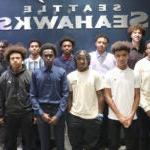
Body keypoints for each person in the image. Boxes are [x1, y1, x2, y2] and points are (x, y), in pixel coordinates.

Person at [30, 43, 69, 150]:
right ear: (42, 57)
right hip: (41, 110)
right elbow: (32, 95)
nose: (48, 58)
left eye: (50, 55)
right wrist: (41, 113)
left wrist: (58, 114)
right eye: (45, 55)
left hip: (58, 110)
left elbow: (65, 94)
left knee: (60, 142)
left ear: (54, 56)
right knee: (44, 142)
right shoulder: (35, 73)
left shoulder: (61, 72)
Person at [104, 41, 140, 150]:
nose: (121, 58)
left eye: (124, 55)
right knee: (113, 145)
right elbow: (107, 96)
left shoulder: (135, 74)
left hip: (131, 117)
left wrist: (131, 115)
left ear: (128, 55)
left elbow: (137, 96)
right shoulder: (109, 74)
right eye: (118, 56)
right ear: (114, 56)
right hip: (114, 117)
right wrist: (120, 116)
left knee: (132, 145)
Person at [67, 50, 104, 150]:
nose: (82, 61)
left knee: (92, 146)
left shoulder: (96, 75)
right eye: (79, 59)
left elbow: (100, 96)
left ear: (88, 60)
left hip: (93, 117)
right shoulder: (70, 76)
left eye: (85, 59)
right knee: (75, 145)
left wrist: (100, 114)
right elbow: (70, 96)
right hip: (75, 116)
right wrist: (69, 113)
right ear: (75, 61)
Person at [0, 44, 33, 150]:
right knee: (10, 142)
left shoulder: (30, 75)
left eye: (17, 58)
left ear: (22, 59)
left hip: (26, 114)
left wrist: (35, 114)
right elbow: (1, 97)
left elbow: (34, 96)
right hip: (10, 114)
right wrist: (1, 114)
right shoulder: (4, 76)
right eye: (12, 58)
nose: (15, 60)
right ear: (9, 60)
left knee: (28, 141)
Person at [90, 35, 116, 149]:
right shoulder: (89, 56)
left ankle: (105, 142)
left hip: (108, 92)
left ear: (107, 45)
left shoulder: (112, 57)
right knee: (94, 119)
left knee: (107, 118)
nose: (101, 44)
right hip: (93, 93)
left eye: (104, 43)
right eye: (99, 42)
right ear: (95, 43)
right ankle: (95, 143)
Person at [134, 40, 150, 150]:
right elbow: (137, 88)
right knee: (144, 136)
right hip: (144, 107)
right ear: (146, 50)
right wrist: (147, 107)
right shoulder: (140, 64)